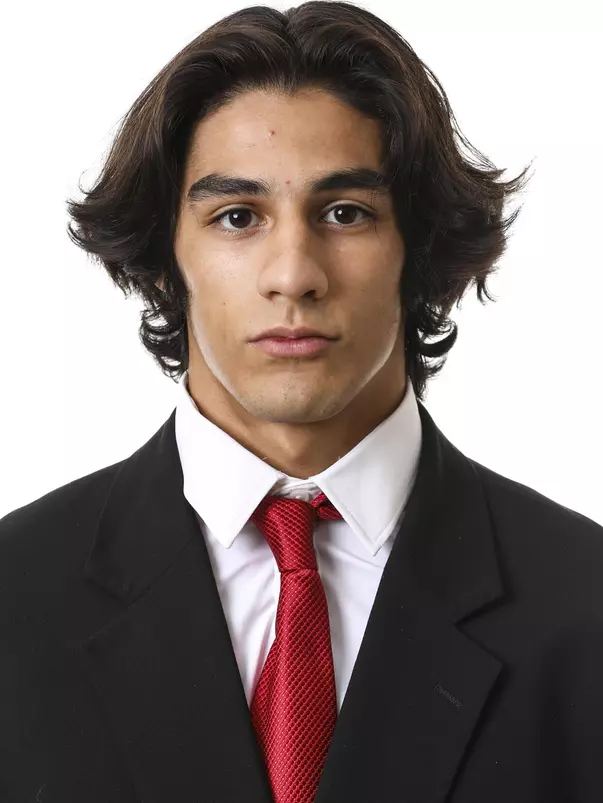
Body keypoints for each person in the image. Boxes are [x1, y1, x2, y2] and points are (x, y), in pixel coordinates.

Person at [1, 2, 602, 801]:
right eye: (237, 216)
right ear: (161, 256)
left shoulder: (585, 604)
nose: (294, 273)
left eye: (345, 213)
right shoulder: (15, 595)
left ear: (418, 250)